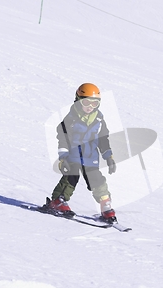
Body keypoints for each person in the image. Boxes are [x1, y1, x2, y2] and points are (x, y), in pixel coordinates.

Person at [44, 83, 117, 221]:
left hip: (91, 157)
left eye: (94, 104)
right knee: (71, 177)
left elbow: (103, 140)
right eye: (86, 102)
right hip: (73, 156)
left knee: (96, 179)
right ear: (78, 100)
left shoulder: (99, 120)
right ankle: (57, 201)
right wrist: (63, 158)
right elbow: (63, 138)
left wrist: (109, 156)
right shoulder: (70, 119)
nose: (90, 106)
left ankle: (105, 205)